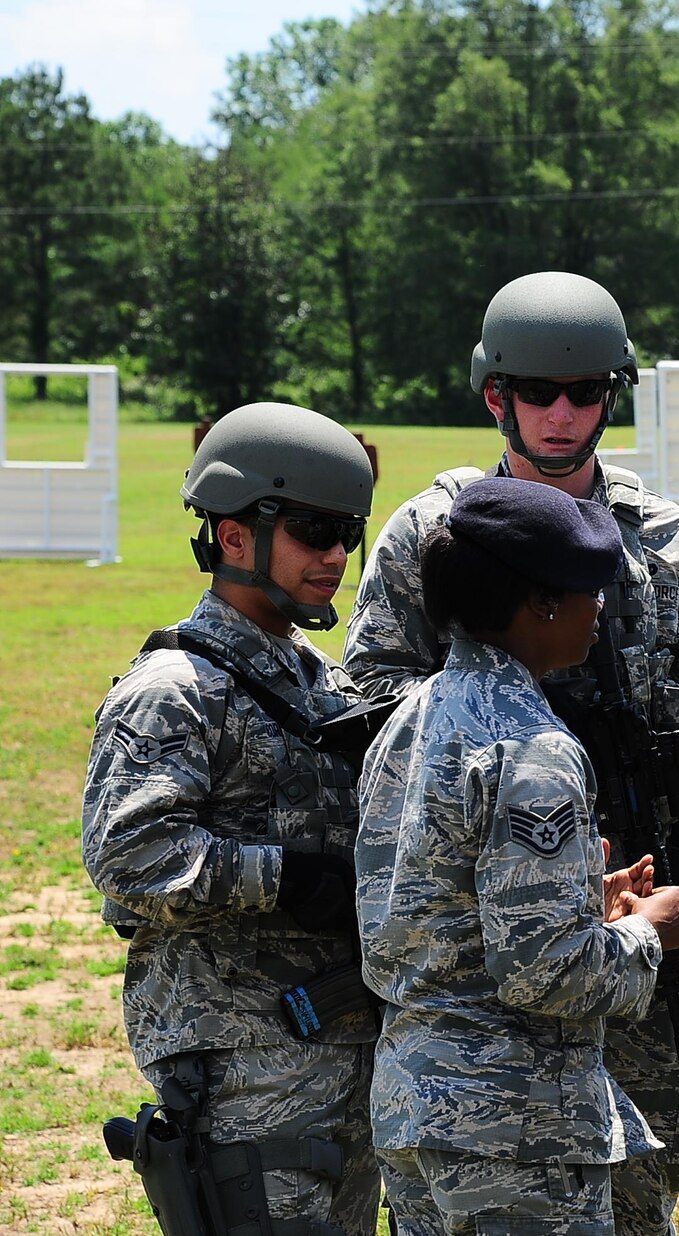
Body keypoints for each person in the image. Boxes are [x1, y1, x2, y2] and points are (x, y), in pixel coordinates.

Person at [343, 270, 679, 1235]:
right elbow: (371, 713)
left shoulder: (658, 540)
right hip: (487, 926)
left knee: (645, 1169)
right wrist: (511, 770)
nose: (564, 414)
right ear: (498, 397)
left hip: (640, 900)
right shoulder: (430, 534)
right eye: (540, 394)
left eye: (586, 395)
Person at [357, 477, 679, 1235]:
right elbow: (549, 972)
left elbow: (429, 901)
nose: (600, 608)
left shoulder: (411, 716)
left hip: (416, 1104)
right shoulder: (533, 748)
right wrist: (650, 931)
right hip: (512, 1125)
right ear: (541, 604)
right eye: (587, 591)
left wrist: (586, 901)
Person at [83, 401, 384, 1235]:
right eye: (315, 529)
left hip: (340, 1060)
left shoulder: (317, 680)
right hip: (242, 1077)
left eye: (348, 533)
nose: (334, 555)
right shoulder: (174, 689)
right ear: (234, 534)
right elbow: (130, 853)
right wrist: (290, 879)